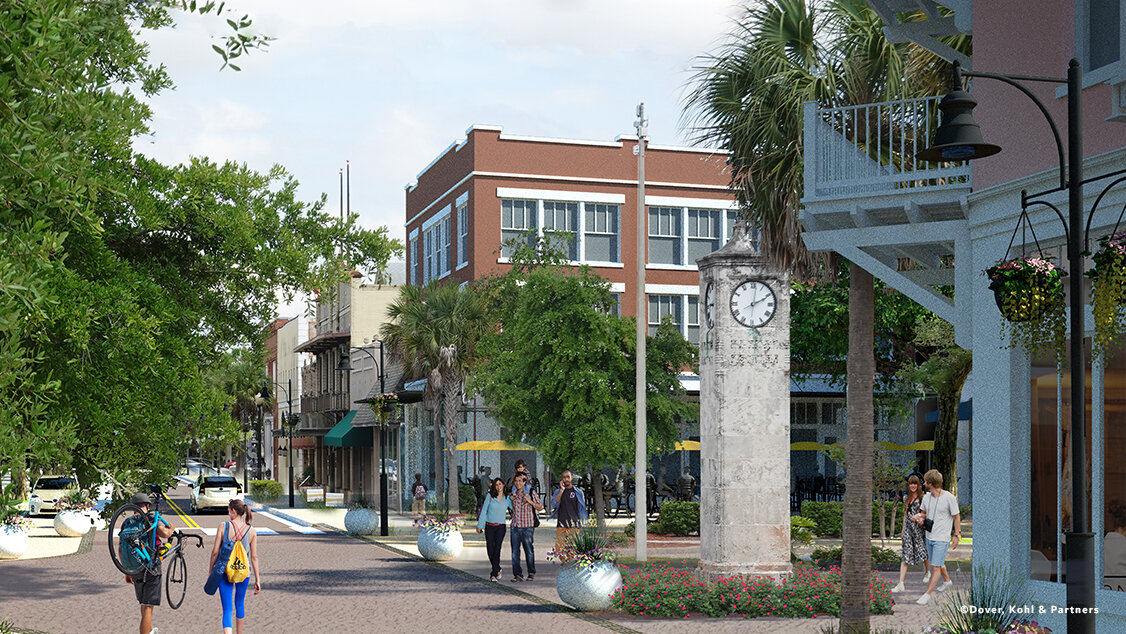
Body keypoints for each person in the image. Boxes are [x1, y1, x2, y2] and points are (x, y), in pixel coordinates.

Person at [123, 492, 174, 634]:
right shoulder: (150, 518)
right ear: (147, 505)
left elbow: (121, 548)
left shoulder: (127, 522)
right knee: (148, 606)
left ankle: (150, 629)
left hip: (134, 567)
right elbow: (164, 534)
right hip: (151, 567)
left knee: (143, 603)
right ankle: (146, 631)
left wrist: (127, 571)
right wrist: (171, 530)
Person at [208, 498, 261, 634]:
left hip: (224, 571)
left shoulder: (223, 526)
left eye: (228, 511)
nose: (228, 513)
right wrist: (257, 579)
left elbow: (215, 552)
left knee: (227, 608)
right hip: (244, 572)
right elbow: (254, 557)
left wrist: (211, 572)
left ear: (233, 511)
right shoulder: (252, 530)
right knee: (240, 604)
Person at [914, 469, 961, 605]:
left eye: (925, 481)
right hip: (929, 536)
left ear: (931, 483)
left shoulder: (949, 498)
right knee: (938, 563)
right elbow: (923, 514)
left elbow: (956, 517)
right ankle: (947, 581)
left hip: (942, 538)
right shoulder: (927, 497)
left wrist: (956, 535)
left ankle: (927, 594)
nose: (923, 483)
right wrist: (918, 518)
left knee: (935, 566)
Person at [891, 473, 930, 593]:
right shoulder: (905, 498)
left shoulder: (923, 498)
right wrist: (903, 529)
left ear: (918, 485)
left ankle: (928, 572)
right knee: (905, 555)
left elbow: (927, 513)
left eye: (915, 483)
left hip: (919, 528)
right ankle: (901, 583)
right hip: (908, 528)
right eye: (910, 483)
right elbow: (905, 514)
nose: (912, 486)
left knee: (923, 551)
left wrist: (920, 518)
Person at [476, 477, 511, 582]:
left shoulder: (507, 498)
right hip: (489, 526)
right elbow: (484, 511)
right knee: (490, 549)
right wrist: (480, 525)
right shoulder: (490, 496)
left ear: (503, 485)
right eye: (496, 485)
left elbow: (515, 508)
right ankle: (498, 568)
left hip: (501, 527)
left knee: (497, 549)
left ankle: (493, 574)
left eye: (500, 484)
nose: (498, 486)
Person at [509, 472, 542, 582]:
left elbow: (540, 507)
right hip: (514, 526)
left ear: (524, 482)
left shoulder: (531, 493)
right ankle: (517, 575)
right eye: (516, 481)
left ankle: (531, 572)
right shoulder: (513, 495)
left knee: (529, 550)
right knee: (515, 552)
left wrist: (530, 501)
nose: (518, 483)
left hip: (527, 527)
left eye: (520, 481)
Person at [551, 470, 588, 552]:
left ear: (571, 478)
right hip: (561, 525)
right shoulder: (558, 492)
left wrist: (582, 524)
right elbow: (554, 504)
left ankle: (571, 564)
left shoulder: (578, 492)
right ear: (561, 479)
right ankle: (564, 564)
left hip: (574, 525)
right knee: (559, 550)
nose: (566, 479)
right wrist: (561, 490)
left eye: (568, 477)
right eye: (564, 477)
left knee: (573, 550)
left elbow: (581, 509)